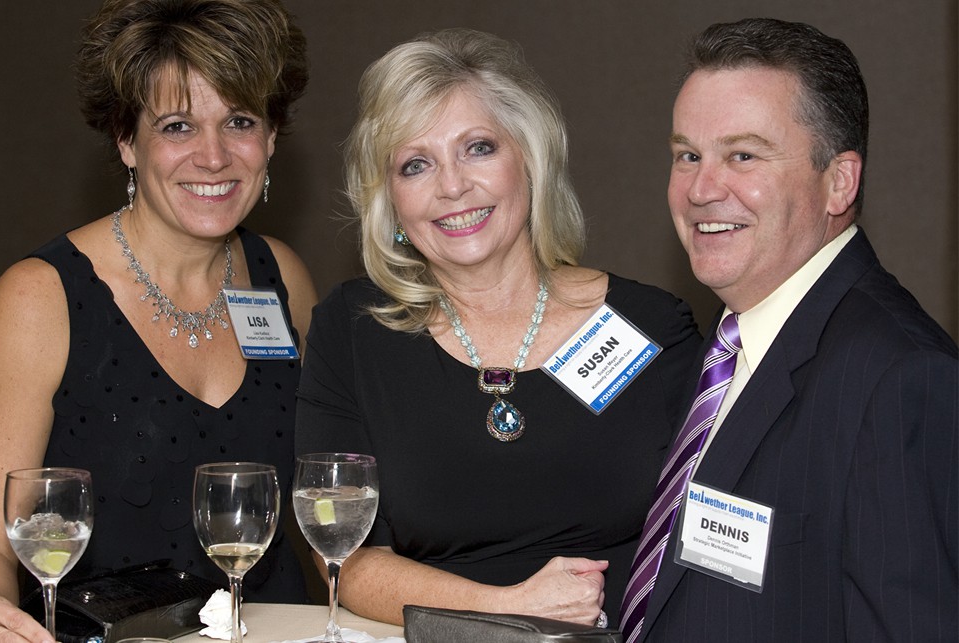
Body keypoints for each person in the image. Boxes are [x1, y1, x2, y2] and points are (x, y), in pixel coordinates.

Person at [294, 28, 703, 627]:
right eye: (415, 165)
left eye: (478, 148)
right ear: (391, 204)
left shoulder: (651, 326)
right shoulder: (351, 334)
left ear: (530, 161)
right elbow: (347, 565)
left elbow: (714, 533)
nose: (453, 186)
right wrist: (509, 612)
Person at [0, 0, 317, 640]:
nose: (214, 157)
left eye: (239, 120)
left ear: (269, 137)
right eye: (178, 126)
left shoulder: (282, 277)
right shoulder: (38, 299)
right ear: (127, 141)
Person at [618, 17, 958, 642]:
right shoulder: (727, 346)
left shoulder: (902, 378)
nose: (700, 188)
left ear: (840, 182)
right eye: (688, 155)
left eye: (742, 155)